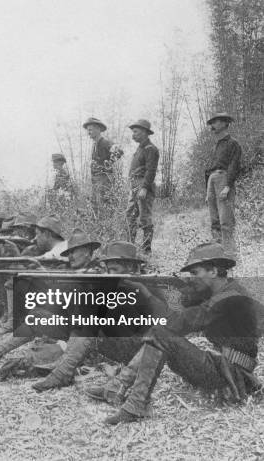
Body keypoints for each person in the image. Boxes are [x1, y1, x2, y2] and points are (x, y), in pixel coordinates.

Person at [92, 242, 261, 425]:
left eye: (195, 273)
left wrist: (146, 294)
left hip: (232, 376)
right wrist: (159, 288)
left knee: (160, 334)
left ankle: (136, 405)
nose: (191, 278)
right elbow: (181, 300)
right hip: (226, 367)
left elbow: (176, 324)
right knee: (159, 335)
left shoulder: (228, 299)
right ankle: (118, 386)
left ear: (213, 271)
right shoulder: (225, 290)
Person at [30, 241, 168, 391]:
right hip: (113, 343)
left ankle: (63, 372)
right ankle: (64, 366)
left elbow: (167, 320)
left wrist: (143, 292)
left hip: (137, 350)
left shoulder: (151, 284)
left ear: (131, 267)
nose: (110, 274)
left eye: (115, 269)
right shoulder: (114, 285)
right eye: (108, 270)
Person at [0, 227, 92, 368]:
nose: (70, 256)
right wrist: (41, 272)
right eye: (69, 252)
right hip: (71, 325)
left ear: (87, 252)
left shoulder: (98, 270)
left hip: (85, 333)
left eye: (74, 251)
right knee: (36, 315)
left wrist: (46, 275)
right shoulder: (73, 269)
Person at [205, 112, 241, 256]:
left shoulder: (233, 143)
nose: (212, 125)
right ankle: (217, 251)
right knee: (214, 220)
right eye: (212, 123)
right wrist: (207, 191)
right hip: (212, 181)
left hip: (224, 179)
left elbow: (234, 165)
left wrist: (228, 186)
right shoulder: (215, 146)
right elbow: (209, 169)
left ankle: (230, 253)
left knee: (226, 219)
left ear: (225, 123)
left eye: (216, 122)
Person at [125, 119, 159, 256]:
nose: (133, 135)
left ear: (145, 132)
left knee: (145, 218)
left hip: (143, 185)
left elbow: (151, 170)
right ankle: (129, 247)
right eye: (132, 132)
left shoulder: (151, 149)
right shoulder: (140, 149)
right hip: (134, 186)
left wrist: (144, 188)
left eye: (136, 132)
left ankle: (146, 250)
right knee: (130, 216)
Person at [84, 117, 123, 214]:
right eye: (88, 130)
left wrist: (109, 164)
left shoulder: (105, 142)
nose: (88, 132)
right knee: (95, 204)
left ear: (98, 129)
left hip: (104, 180)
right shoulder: (95, 144)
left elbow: (119, 151)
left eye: (90, 130)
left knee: (104, 203)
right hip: (96, 180)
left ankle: (107, 223)